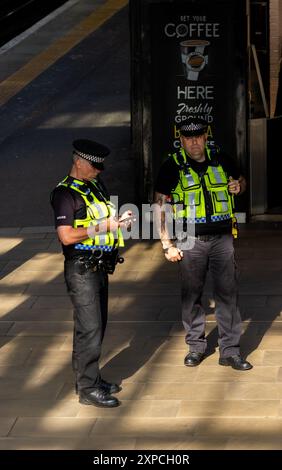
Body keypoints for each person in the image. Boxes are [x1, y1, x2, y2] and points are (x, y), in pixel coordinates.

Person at [154, 117, 252, 371]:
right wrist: (167, 244)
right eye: (189, 138)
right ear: (182, 140)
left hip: (222, 237)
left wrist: (238, 187)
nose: (194, 142)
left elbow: (242, 182)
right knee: (191, 296)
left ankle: (230, 351)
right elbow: (160, 206)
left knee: (227, 295)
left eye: (198, 137)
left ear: (205, 137)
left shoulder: (222, 158)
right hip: (188, 238)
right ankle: (196, 347)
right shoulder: (171, 166)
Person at [51, 139, 131, 407]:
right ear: (78, 162)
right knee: (90, 328)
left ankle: (90, 378)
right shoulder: (64, 194)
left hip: (99, 267)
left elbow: (102, 220)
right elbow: (66, 236)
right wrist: (104, 228)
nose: (99, 171)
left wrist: (117, 224)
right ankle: (87, 389)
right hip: (81, 269)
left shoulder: (95, 186)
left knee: (95, 326)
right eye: (94, 166)